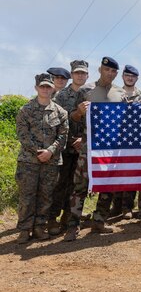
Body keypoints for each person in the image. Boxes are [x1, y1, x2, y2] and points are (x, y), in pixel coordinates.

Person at [64, 57, 127, 242]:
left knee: (108, 185)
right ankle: (73, 225)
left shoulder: (120, 93)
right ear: (100, 69)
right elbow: (73, 118)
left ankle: (99, 220)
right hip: (89, 146)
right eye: (107, 70)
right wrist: (79, 112)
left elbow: (124, 121)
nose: (110, 73)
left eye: (113, 71)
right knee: (80, 185)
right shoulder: (85, 90)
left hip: (110, 147)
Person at [15, 73, 68, 244]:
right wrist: (39, 152)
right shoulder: (25, 110)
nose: (45, 89)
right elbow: (22, 135)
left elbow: (63, 136)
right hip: (29, 161)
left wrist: (50, 151)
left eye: (48, 86)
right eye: (42, 86)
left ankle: (39, 227)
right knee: (27, 196)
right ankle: (24, 229)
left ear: (53, 88)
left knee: (46, 196)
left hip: (51, 161)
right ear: (36, 88)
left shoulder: (61, 112)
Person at [48, 60, 89, 236]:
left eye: (83, 73)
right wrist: (73, 138)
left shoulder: (90, 94)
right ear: (72, 75)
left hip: (83, 147)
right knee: (60, 184)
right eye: (77, 73)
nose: (80, 76)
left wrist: (83, 139)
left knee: (77, 185)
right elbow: (55, 123)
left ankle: (69, 217)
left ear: (87, 75)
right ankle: (52, 219)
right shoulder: (61, 95)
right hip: (65, 148)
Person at [111, 64, 141, 219]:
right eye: (127, 75)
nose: (130, 78)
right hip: (116, 138)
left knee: (131, 173)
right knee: (117, 173)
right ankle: (116, 207)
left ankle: (128, 208)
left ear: (137, 78)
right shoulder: (114, 93)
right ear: (123, 76)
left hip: (134, 140)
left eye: (133, 76)